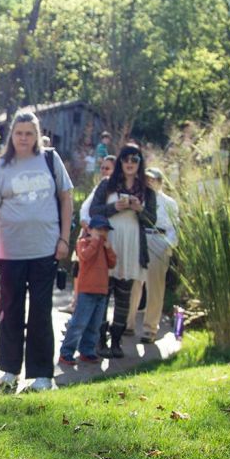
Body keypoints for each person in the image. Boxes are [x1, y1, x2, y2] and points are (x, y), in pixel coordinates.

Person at [0, 111, 73, 392]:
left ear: (37, 135)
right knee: (11, 312)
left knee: (42, 312)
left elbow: (66, 199)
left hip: (45, 249)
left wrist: (64, 239)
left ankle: (43, 376)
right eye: (18, 133)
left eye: (29, 133)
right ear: (11, 135)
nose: (23, 138)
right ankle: (9, 372)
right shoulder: (0, 167)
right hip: (10, 253)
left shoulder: (50, 160)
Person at [89, 144, 157, 358]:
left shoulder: (147, 191)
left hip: (132, 245)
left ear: (140, 163)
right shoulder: (107, 185)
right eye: (126, 159)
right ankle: (100, 339)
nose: (129, 164)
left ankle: (116, 341)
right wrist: (113, 208)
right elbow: (93, 211)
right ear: (120, 162)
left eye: (134, 160)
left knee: (124, 297)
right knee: (102, 294)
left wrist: (139, 209)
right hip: (109, 243)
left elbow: (151, 221)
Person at [126, 167, 179, 343]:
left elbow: (174, 227)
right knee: (134, 282)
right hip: (140, 238)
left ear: (160, 181)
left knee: (155, 287)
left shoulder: (169, 202)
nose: (149, 182)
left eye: (153, 179)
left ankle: (150, 328)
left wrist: (167, 245)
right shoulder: (138, 197)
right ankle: (128, 324)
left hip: (158, 239)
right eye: (147, 179)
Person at [58, 216, 116, 365]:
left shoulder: (104, 247)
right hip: (87, 290)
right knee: (78, 323)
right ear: (89, 230)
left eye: (105, 230)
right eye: (99, 229)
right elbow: (85, 256)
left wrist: (109, 249)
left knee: (94, 325)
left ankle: (87, 350)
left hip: (101, 291)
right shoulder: (83, 243)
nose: (102, 233)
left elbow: (113, 263)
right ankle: (66, 352)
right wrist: (95, 241)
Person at [63, 155, 116, 314]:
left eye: (108, 168)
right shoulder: (100, 186)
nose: (104, 171)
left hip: (95, 234)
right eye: (102, 167)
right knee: (77, 269)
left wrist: (92, 228)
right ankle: (75, 302)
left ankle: (81, 306)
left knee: (88, 269)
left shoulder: (112, 189)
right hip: (85, 232)